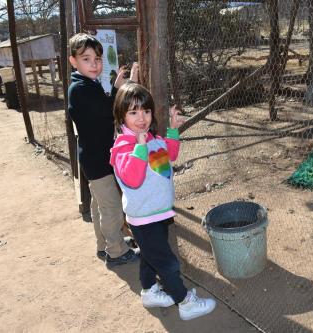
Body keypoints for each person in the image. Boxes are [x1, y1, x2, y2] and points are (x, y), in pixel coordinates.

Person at [110, 83, 217, 321]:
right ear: (121, 116)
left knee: (151, 256)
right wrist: (139, 147)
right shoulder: (123, 148)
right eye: (133, 112)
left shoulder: (151, 138)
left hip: (158, 213)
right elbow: (133, 179)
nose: (142, 118)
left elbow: (170, 154)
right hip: (143, 218)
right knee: (167, 262)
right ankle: (185, 302)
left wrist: (173, 132)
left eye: (146, 111)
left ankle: (149, 291)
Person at [67, 33, 139, 268]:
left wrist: (117, 88)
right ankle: (117, 252)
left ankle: (104, 244)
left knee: (99, 205)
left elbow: (103, 107)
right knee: (112, 208)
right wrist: (124, 89)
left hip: (93, 157)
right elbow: (110, 111)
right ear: (73, 61)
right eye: (86, 59)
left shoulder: (86, 84)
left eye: (97, 59)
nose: (94, 64)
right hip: (98, 160)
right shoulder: (81, 89)